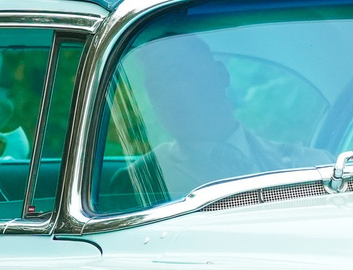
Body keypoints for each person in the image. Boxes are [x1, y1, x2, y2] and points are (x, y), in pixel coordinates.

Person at [132, 34, 322, 197]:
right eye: (155, 88)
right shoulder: (141, 178)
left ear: (220, 75)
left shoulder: (310, 165)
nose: (169, 96)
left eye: (180, 75)